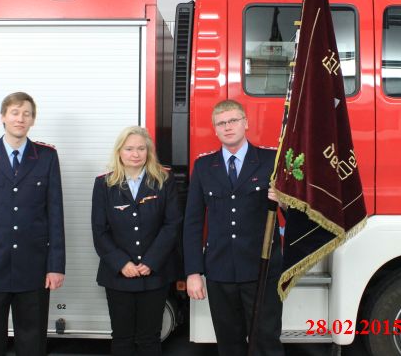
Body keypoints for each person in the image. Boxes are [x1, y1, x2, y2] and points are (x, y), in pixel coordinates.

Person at [0, 92, 65, 355]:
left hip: (34, 269)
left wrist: (55, 266)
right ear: (3, 117)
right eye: (15, 112)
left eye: (27, 113)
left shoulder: (46, 157)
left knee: (32, 344)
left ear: (33, 120)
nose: (21, 118)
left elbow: (55, 216)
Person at [184, 99, 285, 356]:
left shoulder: (271, 161)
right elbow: (193, 222)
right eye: (221, 123)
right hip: (220, 272)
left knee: (266, 342)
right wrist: (193, 272)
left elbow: (299, 215)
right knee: (229, 345)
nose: (228, 127)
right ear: (215, 129)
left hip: (261, 270)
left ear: (245, 123)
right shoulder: (205, 167)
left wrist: (286, 201)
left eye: (233, 120)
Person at [91, 126, 181, 356]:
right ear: (119, 151)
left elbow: (172, 224)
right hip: (118, 276)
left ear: (148, 151)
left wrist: (151, 261)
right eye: (129, 148)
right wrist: (122, 263)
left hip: (155, 274)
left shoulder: (163, 180)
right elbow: (100, 231)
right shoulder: (104, 184)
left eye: (141, 148)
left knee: (150, 338)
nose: (135, 154)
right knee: (122, 339)